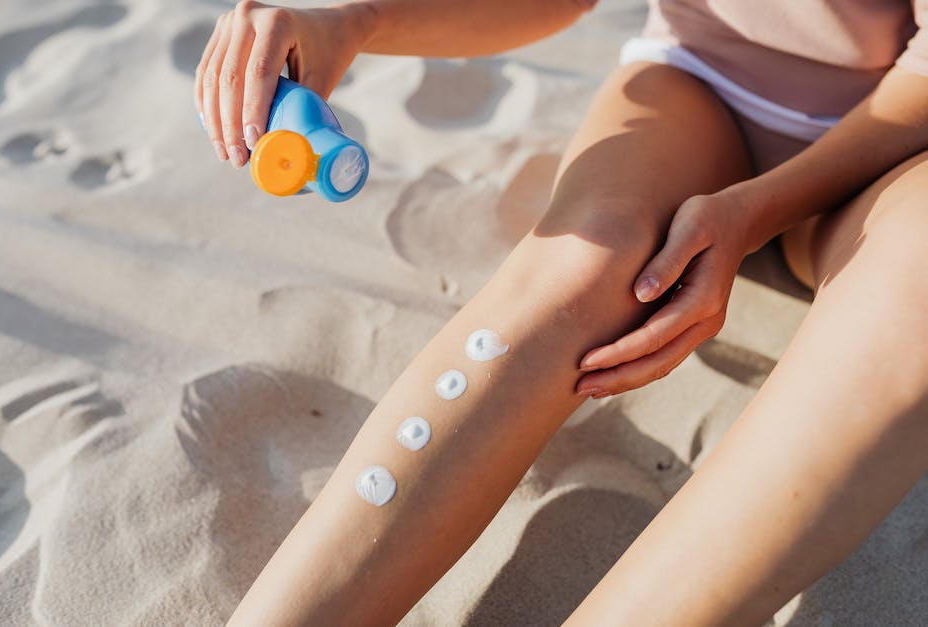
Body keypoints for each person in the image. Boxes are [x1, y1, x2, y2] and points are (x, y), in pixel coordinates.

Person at [194, 1, 928, 624]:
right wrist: (356, 22)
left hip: (899, 148)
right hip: (705, 90)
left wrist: (753, 213)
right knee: (577, 271)